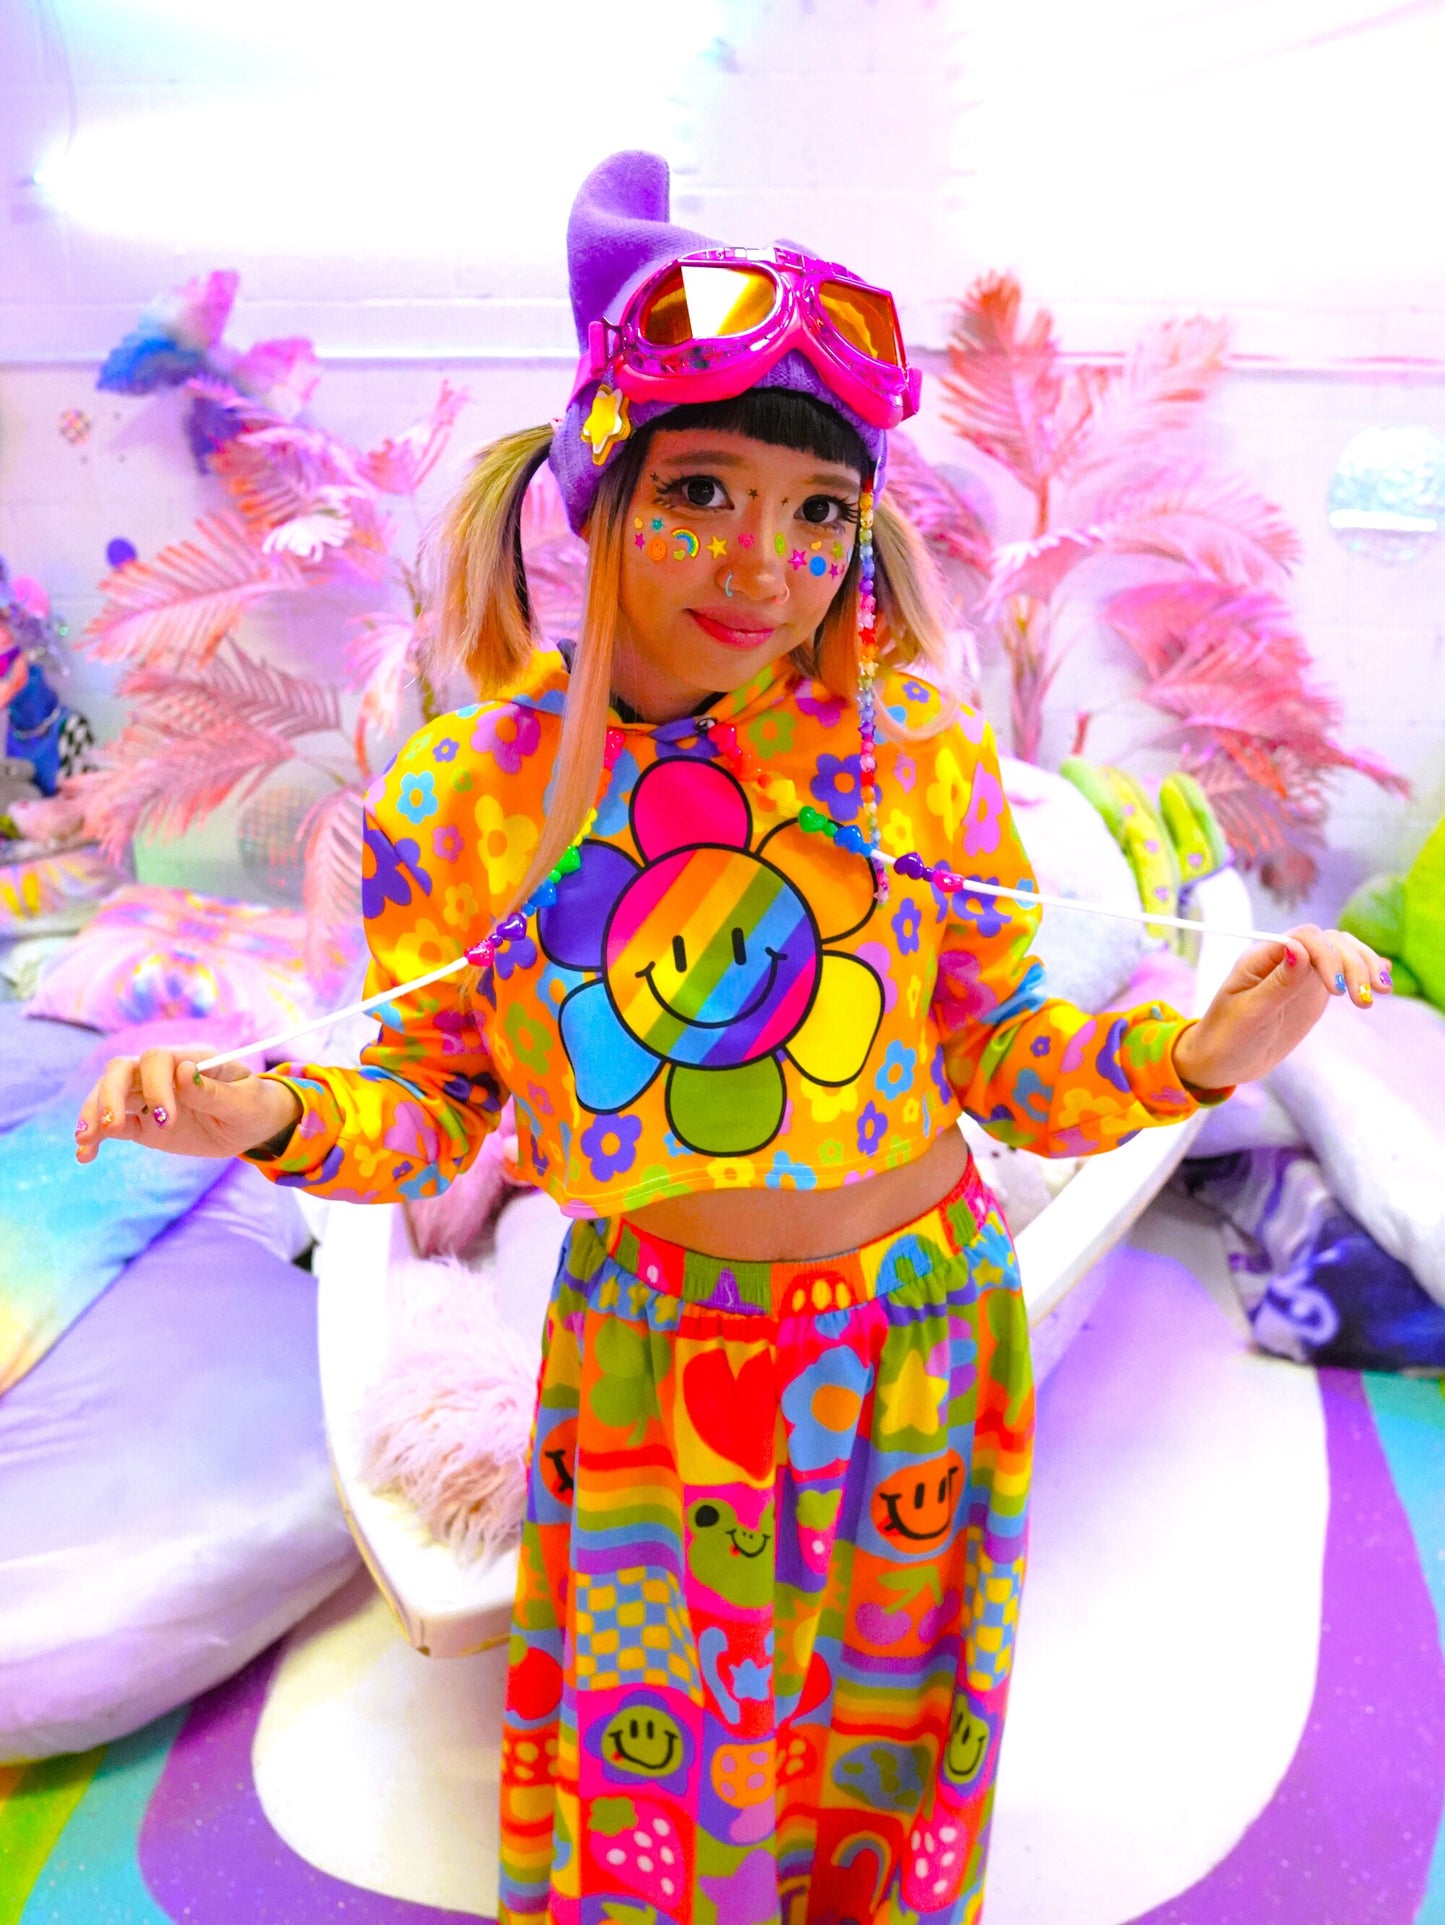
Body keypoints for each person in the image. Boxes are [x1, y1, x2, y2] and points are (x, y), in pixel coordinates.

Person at [75, 153, 1389, 1925]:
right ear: (597, 495)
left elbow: (1005, 1055)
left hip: (926, 1333)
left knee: (891, 1777)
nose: (765, 563)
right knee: (638, 1809)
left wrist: (1198, 1054)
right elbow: (420, 1108)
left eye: (818, 508)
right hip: (653, 1357)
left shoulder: (908, 750)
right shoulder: (468, 793)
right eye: (701, 489)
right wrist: (258, 1110)